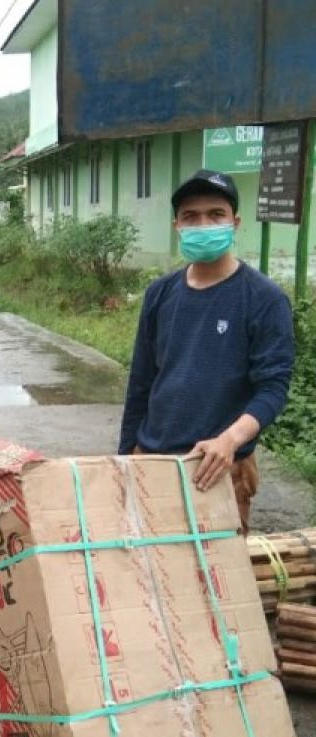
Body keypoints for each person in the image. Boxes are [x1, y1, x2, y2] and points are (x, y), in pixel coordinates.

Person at [119, 169, 294, 534]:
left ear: (235, 222)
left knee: (216, 585)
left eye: (216, 214)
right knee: (152, 579)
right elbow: (141, 383)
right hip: (152, 460)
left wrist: (230, 440)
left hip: (219, 470)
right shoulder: (160, 294)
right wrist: (123, 461)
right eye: (191, 217)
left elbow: (273, 388)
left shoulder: (263, 298)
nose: (203, 224)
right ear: (177, 226)